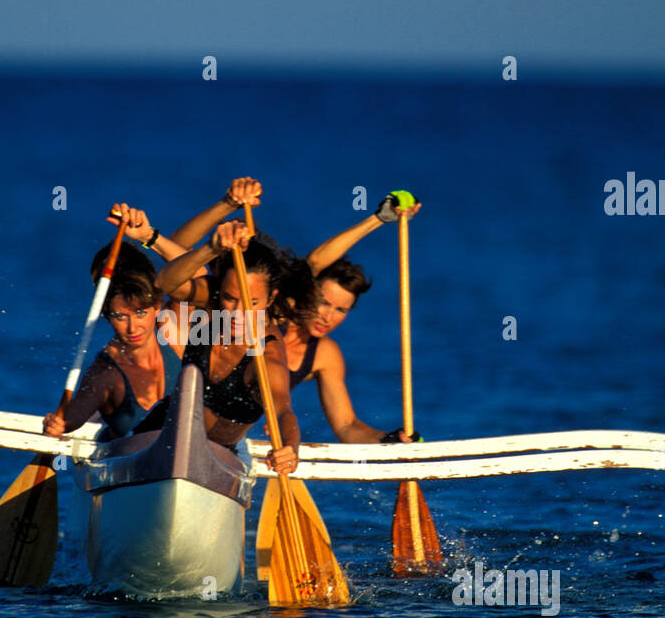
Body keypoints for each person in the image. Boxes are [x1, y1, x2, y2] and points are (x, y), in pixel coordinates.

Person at [162, 184, 423, 444]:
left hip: (225, 442)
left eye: (340, 310)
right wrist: (378, 219)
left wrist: (391, 440)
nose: (327, 316)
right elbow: (316, 262)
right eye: (323, 302)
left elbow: (346, 427)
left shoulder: (322, 354)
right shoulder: (271, 310)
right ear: (307, 294)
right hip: (176, 412)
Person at [142, 220, 301, 476]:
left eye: (252, 302)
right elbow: (165, 284)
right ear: (219, 291)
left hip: (219, 460)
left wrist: (290, 448)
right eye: (230, 299)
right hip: (156, 435)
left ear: (271, 298)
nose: (238, 313)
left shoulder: (266, 355)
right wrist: (210, 248)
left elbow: (283, 410)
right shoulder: (211, 299)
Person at [42, 240, 182, 441]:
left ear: (157, 306)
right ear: (107, 316)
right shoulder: (106, 372)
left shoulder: (172, 331)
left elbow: (194, 272)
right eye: (120, 317)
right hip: (130, 461)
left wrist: (150, 235)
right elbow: (77, 412)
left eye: (140, 313)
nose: (133, 328)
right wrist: (60, 424)